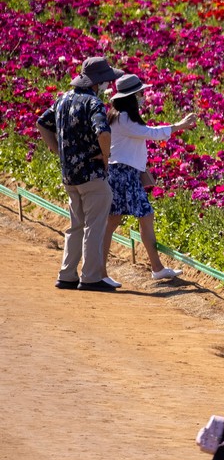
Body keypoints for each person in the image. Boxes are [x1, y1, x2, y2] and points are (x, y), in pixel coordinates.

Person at [35, 56, 122, 291]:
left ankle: (67, 274)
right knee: (94, 225)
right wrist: (105, 158)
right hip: (92, 174)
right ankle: (91, 277)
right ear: (98, 83)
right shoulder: (93, 104)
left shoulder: (63, 100)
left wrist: (57, 149)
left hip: (70, 175)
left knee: (75, 225)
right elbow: (103, 133)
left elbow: (42, 123)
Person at [101, 73, 198, 283]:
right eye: (140, 93)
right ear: (131, 97)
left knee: (127, 218)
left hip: (125, 173)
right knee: (122, 219)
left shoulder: (119, 116)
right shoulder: (123, 118)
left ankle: (155, 267)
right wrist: (179, 125)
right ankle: (100, 271)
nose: (144, 97)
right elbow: (150, 133)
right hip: (122, 174)